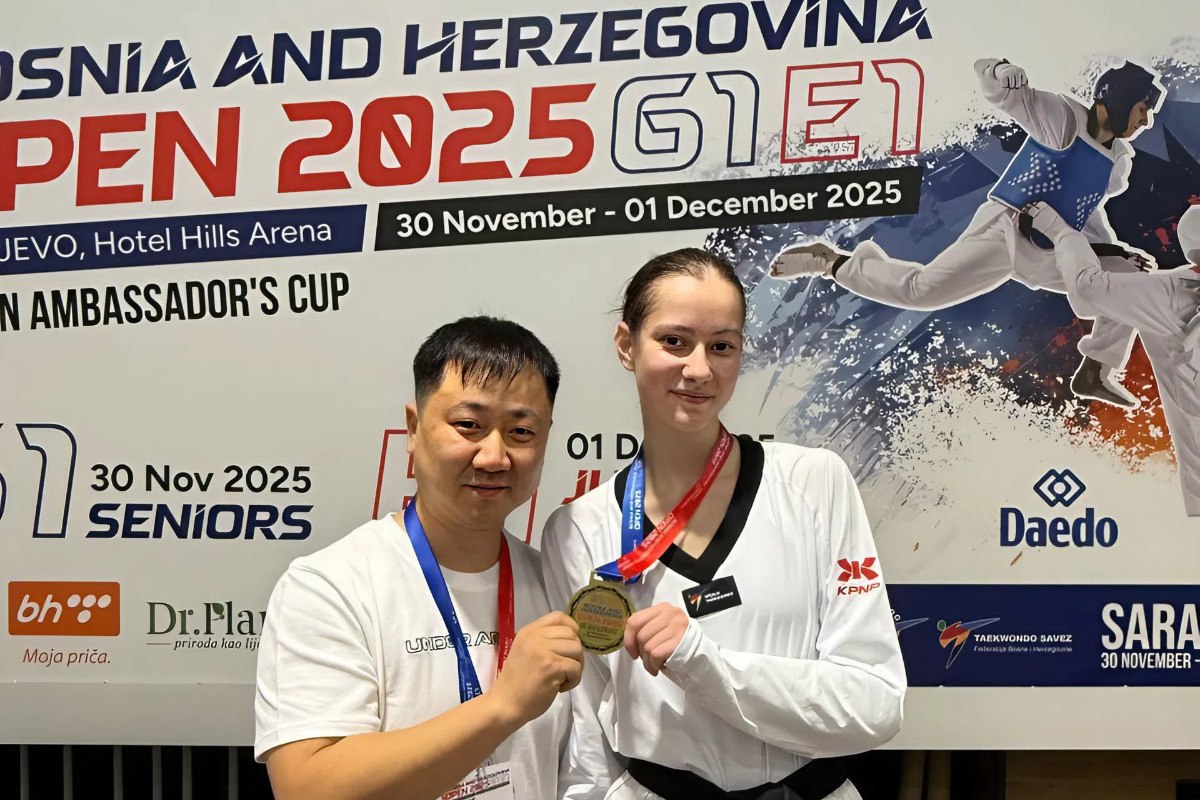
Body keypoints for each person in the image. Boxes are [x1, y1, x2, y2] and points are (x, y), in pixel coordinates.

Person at [541, 248, 906, 800]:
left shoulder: (814, 482)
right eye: (674, 341)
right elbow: (586, 738)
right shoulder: (577, 529)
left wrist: (703, 663)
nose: (699, 369)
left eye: (721, 346)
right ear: (625, 345)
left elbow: (876, 703)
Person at [255, 316, 582, 800]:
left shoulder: (555, 585)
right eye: (468, 425)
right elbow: (307, 787)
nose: (493, 456)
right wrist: (502, 706)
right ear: (413, 427)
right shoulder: (330, 585)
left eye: (521, 431)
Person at [771, 59, 1165, 409]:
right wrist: (999, 69)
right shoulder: (1062, 118)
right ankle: (831, 261)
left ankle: (1096, 369)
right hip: (1004, 229)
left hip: (1051, 248)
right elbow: (997, 88)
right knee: (922, 291)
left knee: (1130, 279)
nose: (1145, 121)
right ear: (1120, 99)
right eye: (1142, 109)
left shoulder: (1118, 163)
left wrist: (1114, 252)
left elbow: (1085, 209)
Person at [1025, 200, 1200, 516]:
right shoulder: (1170, 293)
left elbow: (1088, 291)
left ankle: (1095, 369)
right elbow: (1090, 291)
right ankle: (1095, 369)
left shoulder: (1168, 294)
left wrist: (1060, 232)